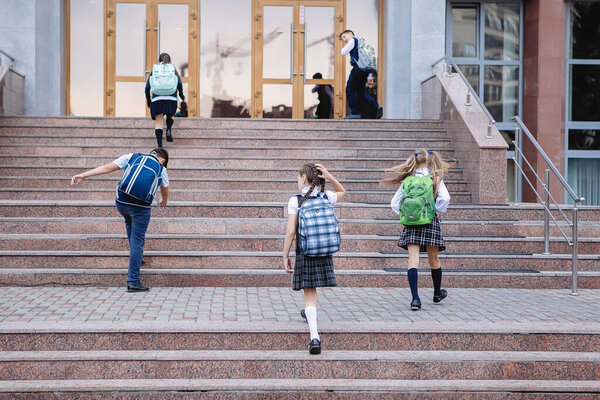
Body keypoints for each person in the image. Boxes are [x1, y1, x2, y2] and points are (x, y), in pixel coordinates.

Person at [70, 148, 170, 292]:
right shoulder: (161, 168)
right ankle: (133, 281)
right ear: (163, 160)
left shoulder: (132, 157)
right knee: (138, 240)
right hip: (140, 208)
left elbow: (107, 167)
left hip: (122, 203)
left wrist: (83, 175)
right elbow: (165, 189)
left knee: (129, 222)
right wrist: (163, 199)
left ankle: (137, 258)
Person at [283, 163, 346, 354]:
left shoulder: (297, 200)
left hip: (306, 249)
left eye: (298, 176)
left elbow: (291, 231)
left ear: (303, 178)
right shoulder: (326, 196)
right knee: (312, 293)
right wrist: (329, 175)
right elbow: (342, 191)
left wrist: (284, 255)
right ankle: (308, 315)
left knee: (309, 293)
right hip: (324, 248)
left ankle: (315, 337)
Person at [382, 149, 452, 310]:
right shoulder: (435, 177)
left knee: (413, 261)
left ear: (414, 161)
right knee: (433, 259)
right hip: (429, 221)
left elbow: (394, 203)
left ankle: (415, 299)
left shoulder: (408, 179)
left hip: (412, 223)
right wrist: (434, 210)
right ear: (429, 161)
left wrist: (406, 214)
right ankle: (436, 293)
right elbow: (445, 198)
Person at [339, 29, 382, 119]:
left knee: (349, 89)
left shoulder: (353, 40)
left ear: (350, 34)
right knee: (360, 91)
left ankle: (355, 113)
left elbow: (343, 52)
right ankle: (376, 107)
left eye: (344, 37)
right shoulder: (362, 43)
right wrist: (369, 76)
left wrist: (346, 45)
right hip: (364, 70)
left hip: (357, 69)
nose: (344, 40)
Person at [145, 53, 185, 147]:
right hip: (171, 97)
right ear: (169, 60)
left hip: (157, 98)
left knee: (159, 122)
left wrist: (148, 100)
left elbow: (147, 87)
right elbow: (179, 83)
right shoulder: (172, 69)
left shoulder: (155, 69)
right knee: (170, 115)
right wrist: (181, 96)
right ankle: (168, 130)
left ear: (159, 60)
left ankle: (160, 146)